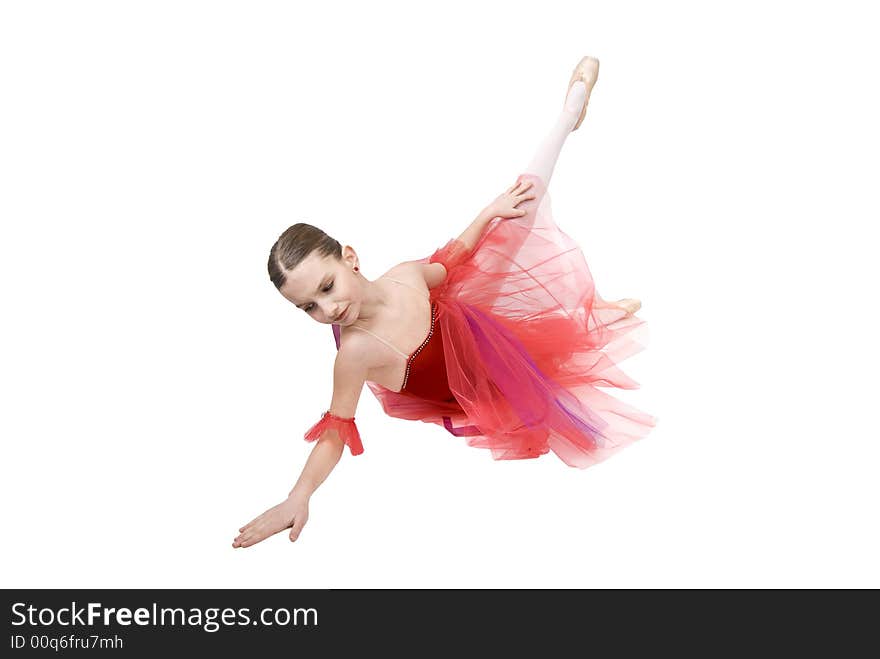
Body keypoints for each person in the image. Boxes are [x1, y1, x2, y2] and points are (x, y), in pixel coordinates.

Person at [233, 56, 657, 548]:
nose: (327, 311)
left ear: (349, 258)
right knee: (554, 387)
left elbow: (451, 261)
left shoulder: (403, 276)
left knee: (515, 209)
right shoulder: (354, 356)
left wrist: (491, 210)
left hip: (475, 323)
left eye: (326, 288)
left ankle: (568, 115)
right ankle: (590, 319)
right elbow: (336, 431)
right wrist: (298, 496)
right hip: (474, 384)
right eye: (308, 307)